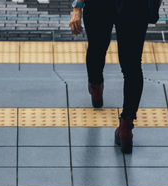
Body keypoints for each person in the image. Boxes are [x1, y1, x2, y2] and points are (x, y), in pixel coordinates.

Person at [69, 0, 162, 154]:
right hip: (135, 6)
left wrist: (78, 6)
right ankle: (126, 127)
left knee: (96, 48)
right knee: (132, 66)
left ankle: (96, 86)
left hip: (99, 5)